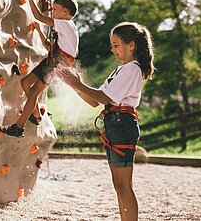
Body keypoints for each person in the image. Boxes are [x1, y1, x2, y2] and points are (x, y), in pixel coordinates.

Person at [55, 22, 155, 221]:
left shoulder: (132, 69)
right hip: (114, 123)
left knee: (124, 185)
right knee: (119, 185)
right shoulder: (120, 70)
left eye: (116, 45)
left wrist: (77, 83)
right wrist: (73, 85)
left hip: (122, 124)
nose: (113, 50)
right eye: (112, 46)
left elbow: (102, 97)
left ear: (131, 45)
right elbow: (94, 101)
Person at [0, 0, 79, 137]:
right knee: (25, 83)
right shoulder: (69, 29)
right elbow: (48, 47)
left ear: (65, 11)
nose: (52, 13)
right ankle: (35, 114)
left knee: (34, 91)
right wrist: (38, 30)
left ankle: (19, 126)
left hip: (56, 62)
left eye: (55, 10)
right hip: (56, 60)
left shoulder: (65, 24)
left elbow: (39, 17)